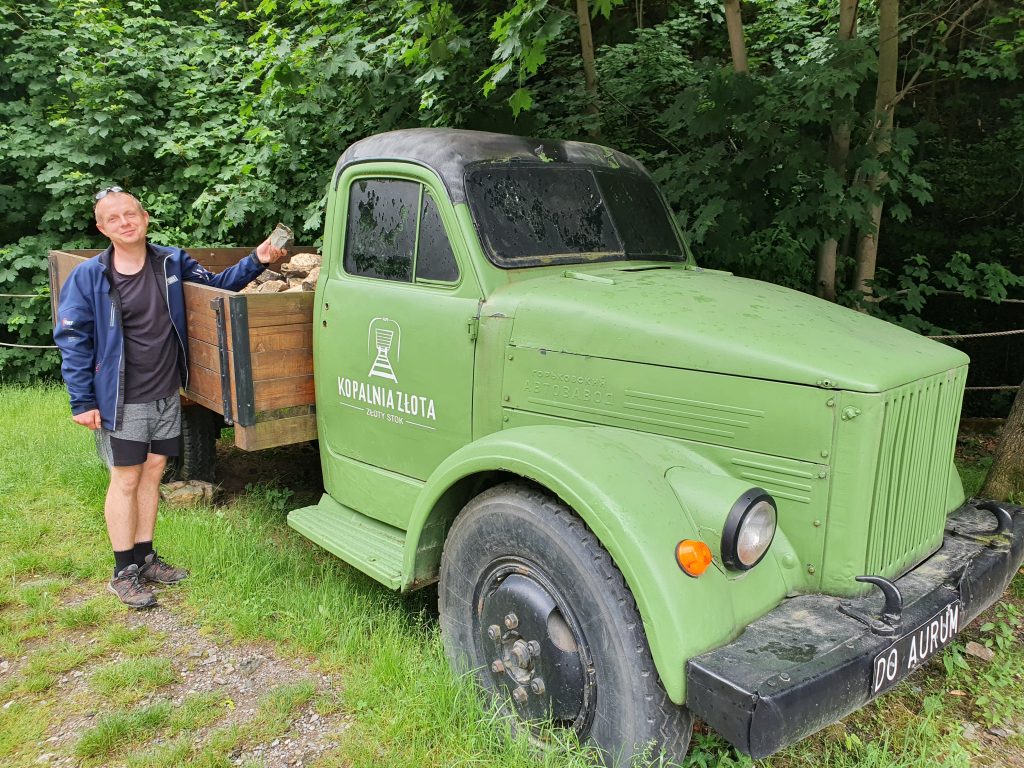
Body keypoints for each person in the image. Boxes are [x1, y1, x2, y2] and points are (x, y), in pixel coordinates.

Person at [53, 187, 287, 608]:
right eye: (114, 218)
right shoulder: (90, 276)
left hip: (165, 392)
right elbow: (72, 339)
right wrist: (82, 400)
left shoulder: (171, 262)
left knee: (153, 473)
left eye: (131, 214)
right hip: (121, 397)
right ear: (102, 228)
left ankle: (145, 558)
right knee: (125, 478)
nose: (125, 222)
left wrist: (258, 259)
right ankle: (122, 572)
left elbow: (215, 286)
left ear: (145, 217)